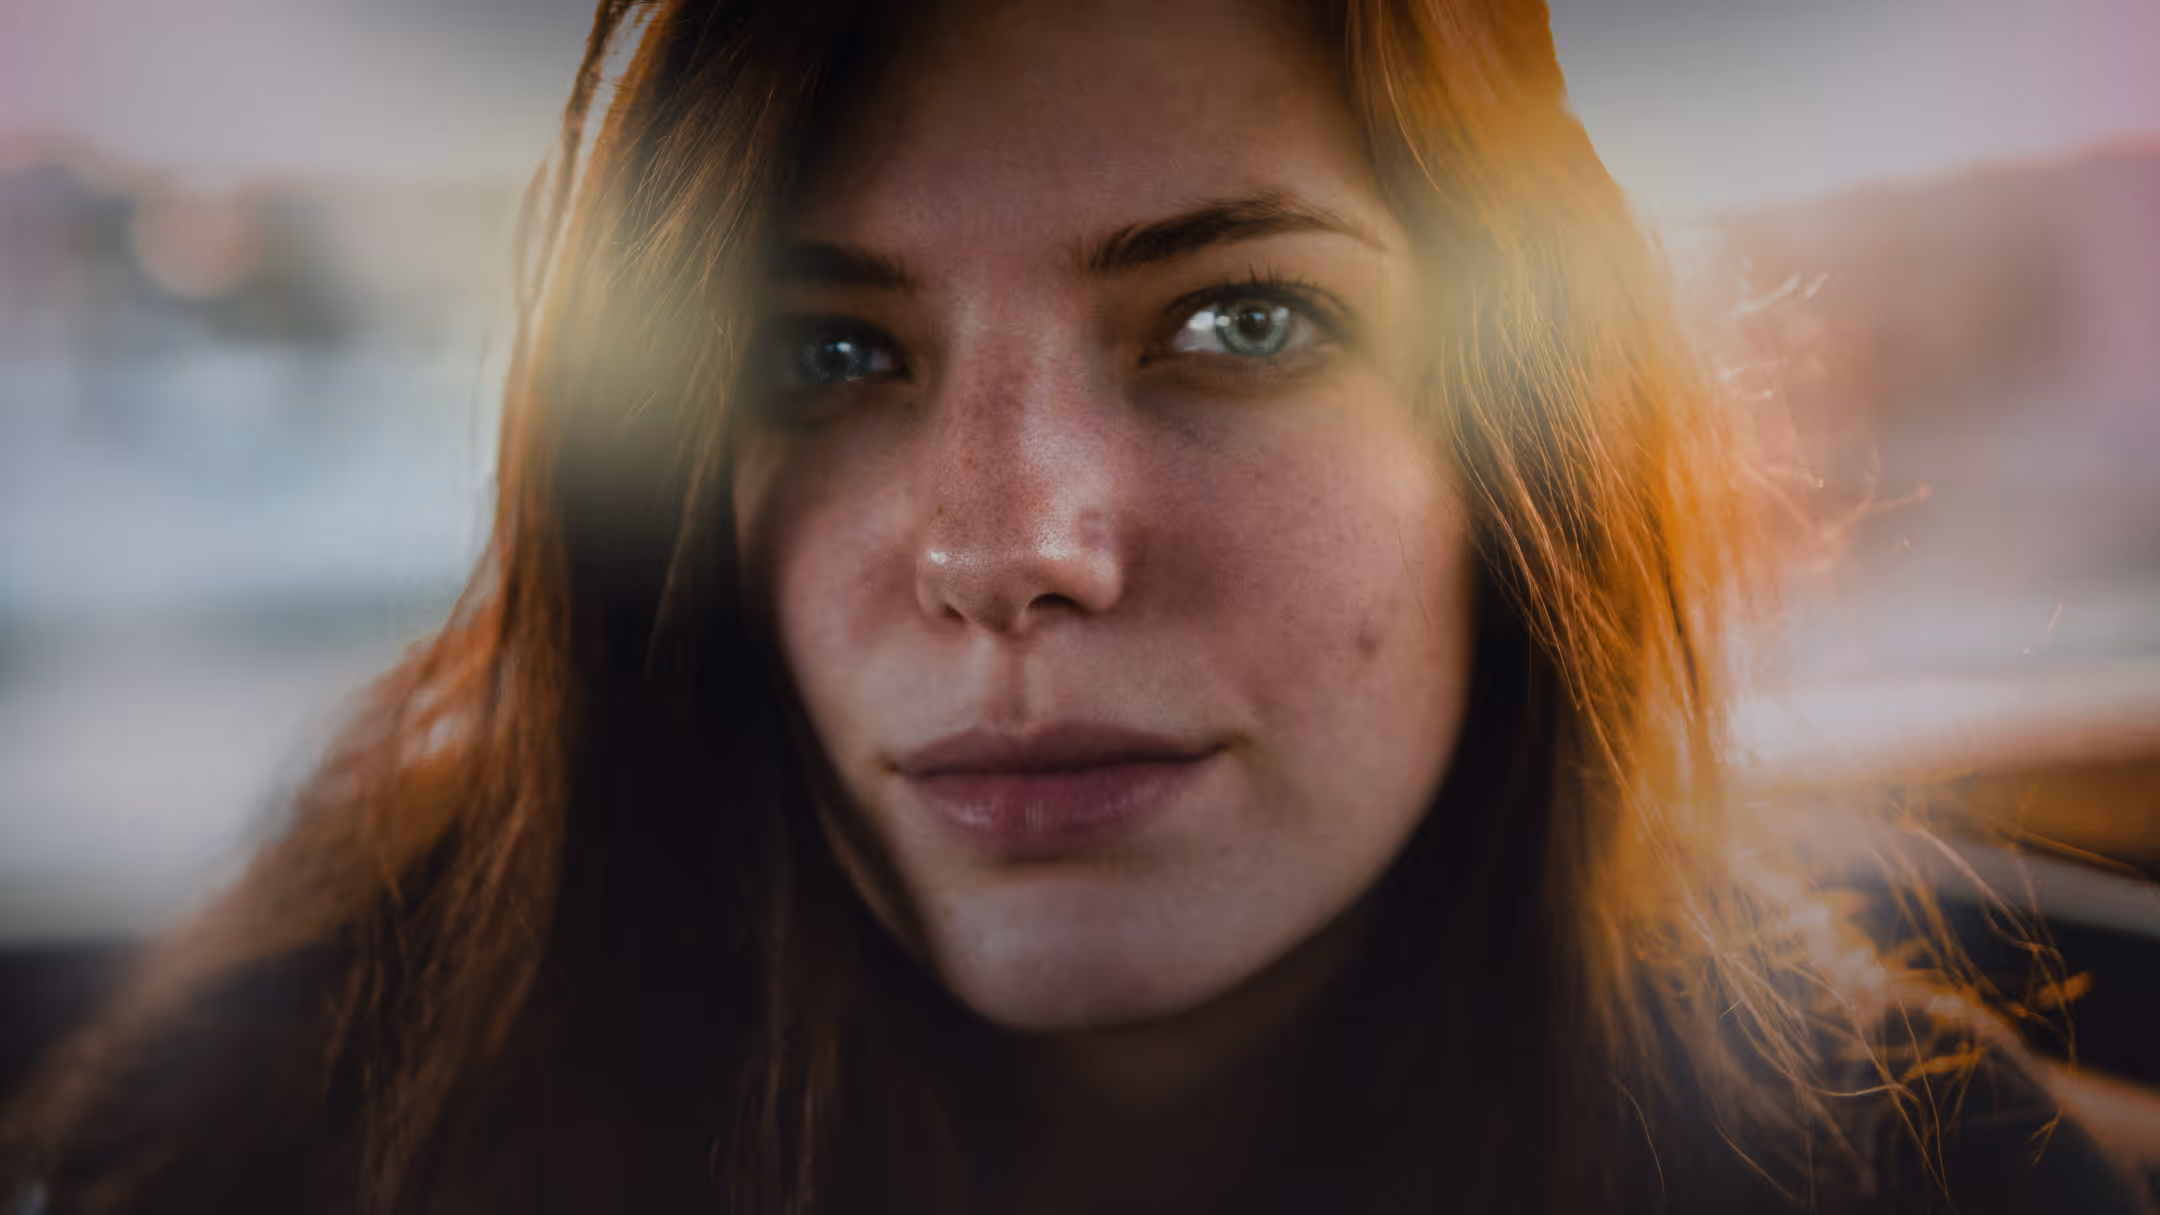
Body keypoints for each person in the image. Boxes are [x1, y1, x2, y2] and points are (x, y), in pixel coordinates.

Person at [2, 1, 2152, 1212]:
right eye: (826, 356)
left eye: (1238, 321)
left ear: (1525, 446)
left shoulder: (1900, 1183)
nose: (1008, 546)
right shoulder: (305, 1121)